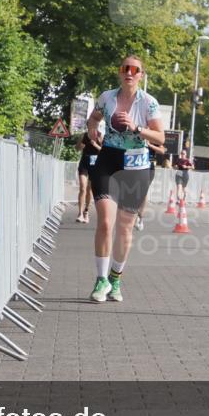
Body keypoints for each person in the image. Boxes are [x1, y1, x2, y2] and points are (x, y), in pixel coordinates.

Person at [86, 55, 166, 303]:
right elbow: (94, 118)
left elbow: (161, 138)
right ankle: (101, 280)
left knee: (125, 227)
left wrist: (136, 128)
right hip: (108, 160)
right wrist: (92, 127)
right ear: (120, 72)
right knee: (105, 222)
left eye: (135, 69)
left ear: (141, 75)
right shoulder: (107, 97)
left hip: (135, 165)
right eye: (125, 68)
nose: (129, 73)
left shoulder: (149, 103)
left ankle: (116, 277)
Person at [135, 139, 167, 231]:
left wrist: (149, 145)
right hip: (135, 165)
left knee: (144, 191)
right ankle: (133, 213)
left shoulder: (152, 138)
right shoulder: (135, 135)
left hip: (149, 166)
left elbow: (162, 150)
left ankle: (140, 216)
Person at [75, 129, 102, 223]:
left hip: (95, 165)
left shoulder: (100, 136)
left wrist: (95, 145)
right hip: (84, 164)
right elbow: (77, 148)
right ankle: (80, 213)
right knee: (82, 187)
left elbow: (104, 152)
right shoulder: (84, 135)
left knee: (89, 190)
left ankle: (86, 211)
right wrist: (80, 144)